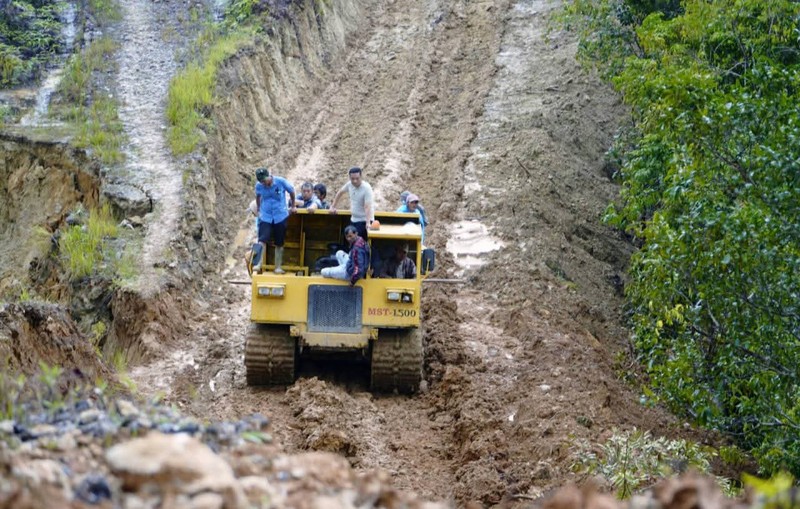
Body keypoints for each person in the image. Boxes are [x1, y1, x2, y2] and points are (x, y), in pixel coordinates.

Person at [255, 167, 296, 274]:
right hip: (266, 215)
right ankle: (257, 263)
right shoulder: (259, 186)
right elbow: (258, 196)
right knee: (262, 239)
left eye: (265, 180)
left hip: (280, 214)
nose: (264, 183)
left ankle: (278, 267)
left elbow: (291, 191)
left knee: (279, 241)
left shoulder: (280, 181)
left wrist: (293, 205)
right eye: (261, 181)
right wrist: (259, 209)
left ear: (269, 176)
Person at [330, 167, 374, 240]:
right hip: (353, 219)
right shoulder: (349, 185)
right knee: (349, 240)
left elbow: (367, 206)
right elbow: (340, 192)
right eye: (352, 179)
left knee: (358, 242)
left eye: (357, 178)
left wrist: (368, 223)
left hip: (364, 220)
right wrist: (333, 206)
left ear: (361, 177)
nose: (355, 181)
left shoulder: (366, 188)